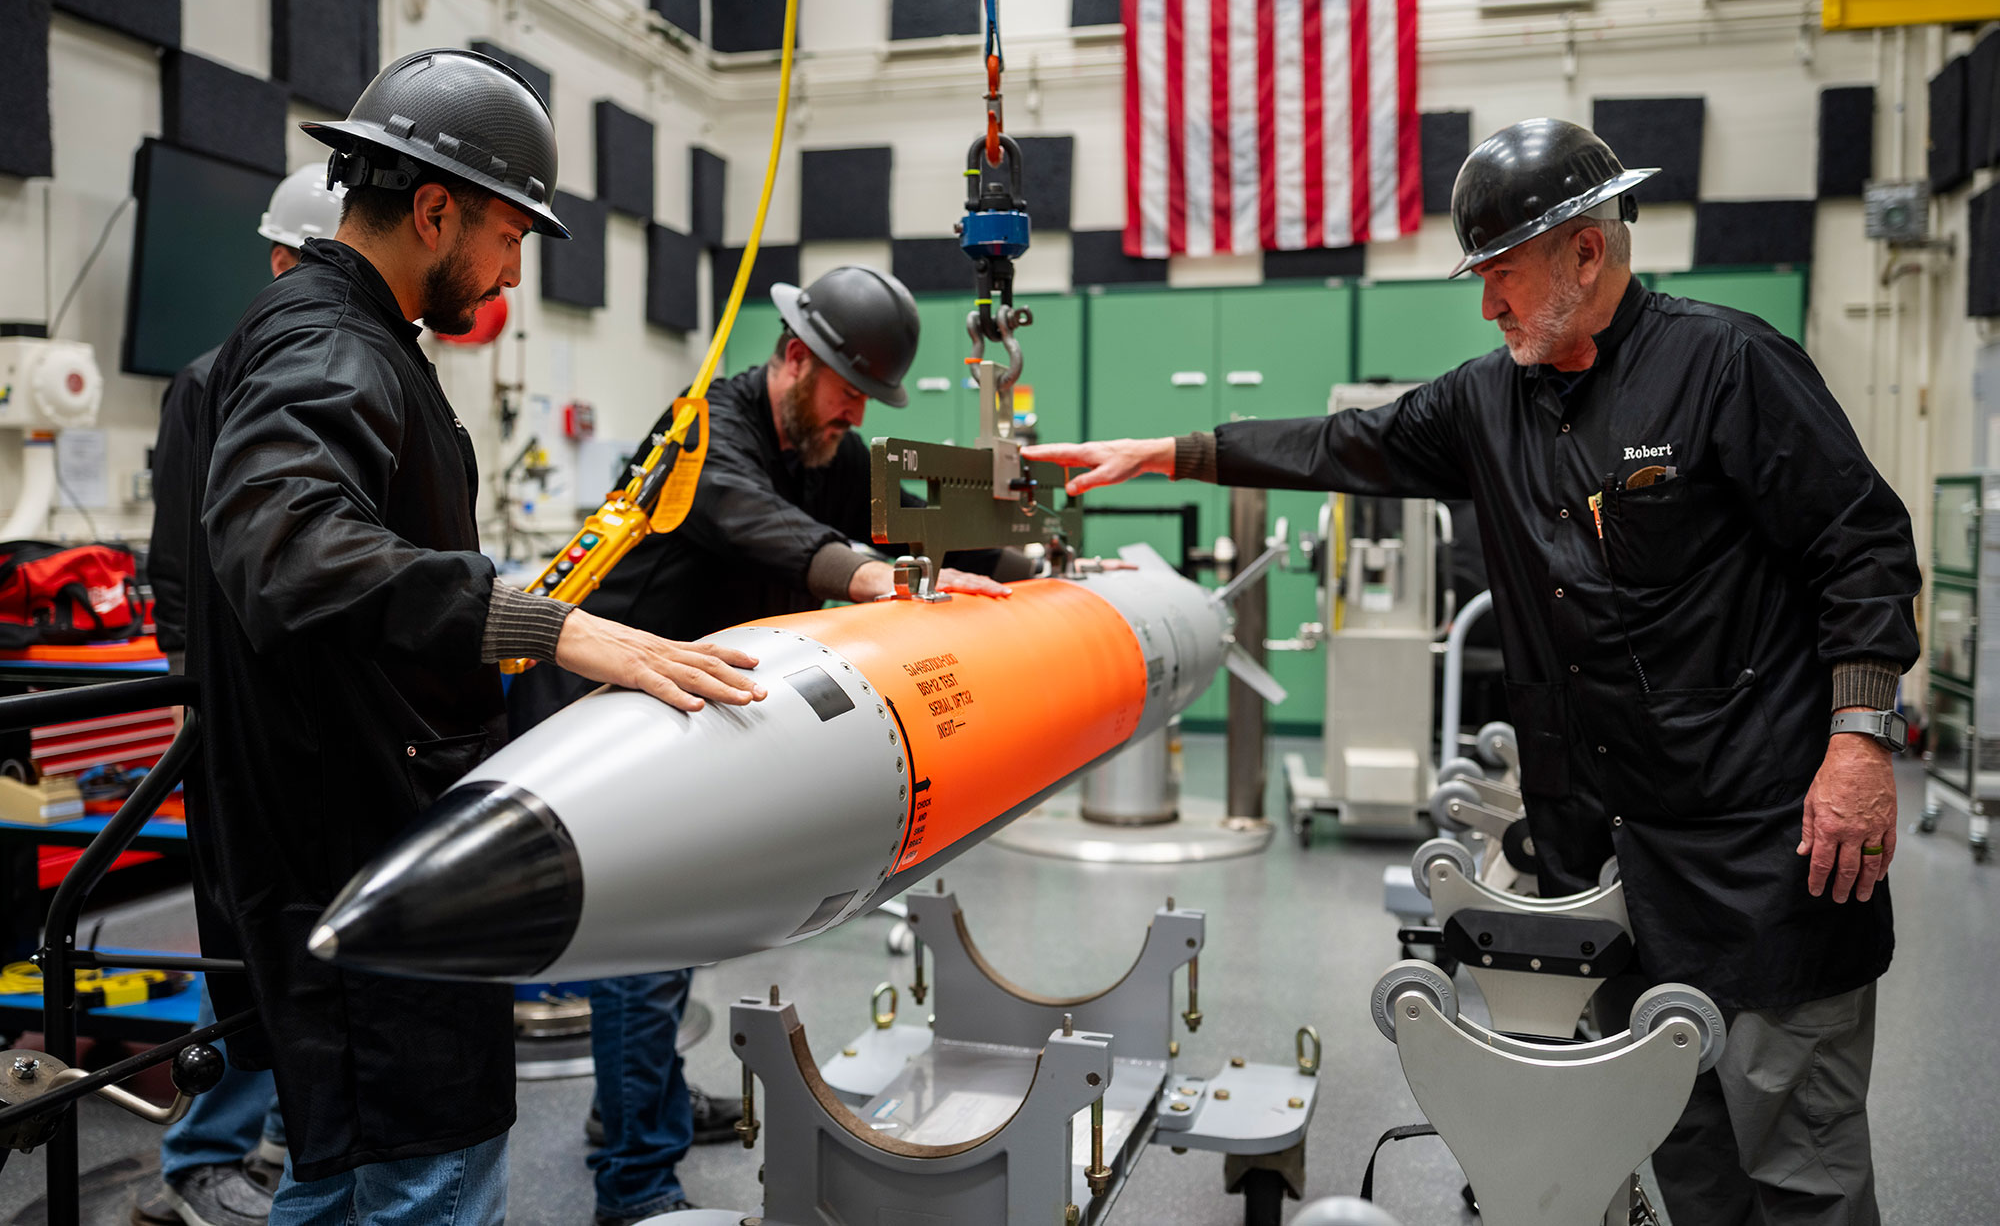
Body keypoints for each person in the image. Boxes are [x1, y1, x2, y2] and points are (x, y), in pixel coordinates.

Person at [1026, 118, 1919, 1226]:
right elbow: (1338, 445)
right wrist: (1171, 453)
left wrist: (1858, 740)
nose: (1486, 303)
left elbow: (1861, 546)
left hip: (1765, 851)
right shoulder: (1486, 401)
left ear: (1584, 252)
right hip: (1606, 863)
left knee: (1796, 1163)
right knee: (1675, 1141)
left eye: (1501, 272)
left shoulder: (1726, 365)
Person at [181, 48, 765, 1226]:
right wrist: (545, 626)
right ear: (435, 209)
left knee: (334, 1177)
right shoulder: (331, 345)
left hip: (341, 847)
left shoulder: (341, 334)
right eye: (507, 236)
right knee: (425, 1174)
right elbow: (288, 548)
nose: (510, 271)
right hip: (368, 855)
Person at [507, 263, 1023, 1224]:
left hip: (690, 704)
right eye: (847, 390)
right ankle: (636, 1186)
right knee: (647, 954)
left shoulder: (831, 449)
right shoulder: (704, 426)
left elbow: (915, 515)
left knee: (677, 937)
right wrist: (867, 576)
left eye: (867, 398)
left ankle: (639, 1110)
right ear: (795, 356)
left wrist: (1033, 566)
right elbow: (746, 514)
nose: (854, 414)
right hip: (606, 704)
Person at [136, 164, 344, 1226]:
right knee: (245, 937)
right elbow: (179, 555)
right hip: (233, 701)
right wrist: (190, 689)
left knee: (305, 941)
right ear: (278, 262)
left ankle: (273, 1140)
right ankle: (195, 1161)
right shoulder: (209, 381)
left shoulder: (355, 369)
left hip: (314, 712)